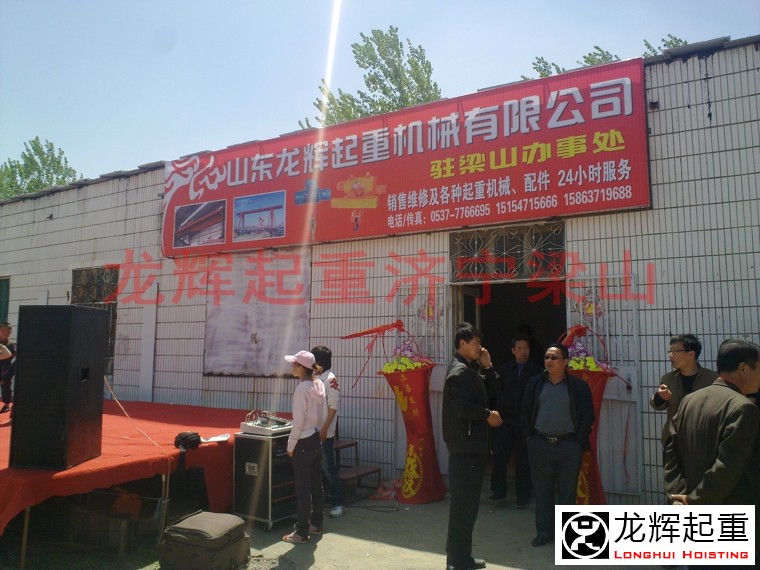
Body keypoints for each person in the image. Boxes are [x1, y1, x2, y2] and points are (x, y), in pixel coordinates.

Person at [664, 339, 760, 506]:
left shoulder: (689, 401)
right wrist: (696, 501)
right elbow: (728, 465)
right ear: (744, 368)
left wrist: (679, 498)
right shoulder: (744, 407)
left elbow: (672, 454)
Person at [521, 343, 594, 547]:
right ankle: (543, 532)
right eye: (547, 357)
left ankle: (567, 536)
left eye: (554, 357)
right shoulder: (535, 384)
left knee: (567, 493)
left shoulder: (578, 386)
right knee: (542, 492)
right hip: (540, 445)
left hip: (568, 446)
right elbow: (525, 412)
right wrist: (529, 439)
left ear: (565, 362)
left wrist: (578, 442)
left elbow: (588, 415)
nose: (549, 361)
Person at [442, 322, 502, 570]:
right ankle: (456, 561)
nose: (479, 347)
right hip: (465, 450)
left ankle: (461, 558)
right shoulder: (459, 372)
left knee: (468, 507)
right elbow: (461, 407)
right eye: (475, 343)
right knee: (463, 507)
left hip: (471, 448)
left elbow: (495, 390)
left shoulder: (470, 370)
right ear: (462, 344)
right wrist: (486, 415)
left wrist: (488, 366)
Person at [490, 335, 542, 505]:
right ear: (513, 350)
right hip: (504, 419)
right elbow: (496, 390)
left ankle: (523, 495)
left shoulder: (537, 371)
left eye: (526, 348)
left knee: (524, 459)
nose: (523, 352)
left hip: (525, 421)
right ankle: (498, 491)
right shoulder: (505, 369)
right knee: (500, 455)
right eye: (519, 348)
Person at [282, 350, 326, 544]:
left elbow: (298, 421)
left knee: (303, 489)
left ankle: (301, 532)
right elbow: (322, 415)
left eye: (294, 364)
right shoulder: (319, 384)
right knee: (316, 484)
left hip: (303, 441)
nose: (292, 366)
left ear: (301, 367)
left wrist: (290, 445)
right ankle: (316, 523)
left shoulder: (302, 389)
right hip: (315, 438)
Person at [649, 334, 718, 455]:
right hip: (673, 440)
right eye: (670, 351)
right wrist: (660, 397)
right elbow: (657, 405)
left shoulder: (712, 379)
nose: (671, 355)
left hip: (703, 441)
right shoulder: (668, 379)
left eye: (676, 351)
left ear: (691, 354)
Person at [311, 345, 346, 518]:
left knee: (328, 467)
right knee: (317, 469)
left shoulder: (330, 379)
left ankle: (338, 503)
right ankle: (322, 502)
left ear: (318, 361)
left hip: (324, 432)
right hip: (312, 430)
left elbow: (333, 407)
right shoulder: (315, 378)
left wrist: (325, 430)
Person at [0, 321, 17, 414]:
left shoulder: (11, 344)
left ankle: (6, 404)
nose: (5, 333)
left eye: (7, 331)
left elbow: (12, 355)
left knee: (5, 386)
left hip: (6, 369)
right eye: (3, 330)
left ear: (10, 332)